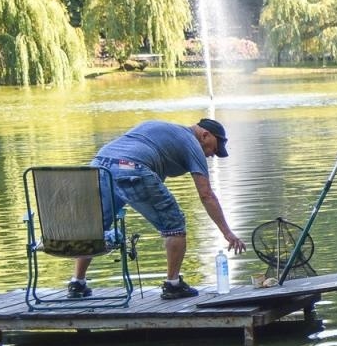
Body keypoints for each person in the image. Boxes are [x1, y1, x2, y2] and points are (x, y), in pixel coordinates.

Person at [68, 118, 247, 300]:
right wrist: (227, 233)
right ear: (205, 135)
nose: (211, 155)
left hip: (100, 165)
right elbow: (206, 195)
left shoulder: (160, 129)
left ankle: (77, 283)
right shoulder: (192, 143)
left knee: (95, 227)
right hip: (131, 168)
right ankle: (173, 285)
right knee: (174, 225)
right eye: (214, 149)